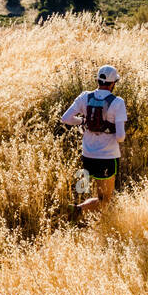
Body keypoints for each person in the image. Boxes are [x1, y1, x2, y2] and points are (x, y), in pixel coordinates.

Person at [60, 65, 127, 214]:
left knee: (84, 188)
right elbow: (121, 137)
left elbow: (65, 118)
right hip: (107, 156)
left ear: (97, 80)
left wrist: (83, 122)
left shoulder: (85, 96)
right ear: (112, 83)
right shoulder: (118, 102)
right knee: (105, 199)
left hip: (87, 153)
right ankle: (78, 210)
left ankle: (80, 214)